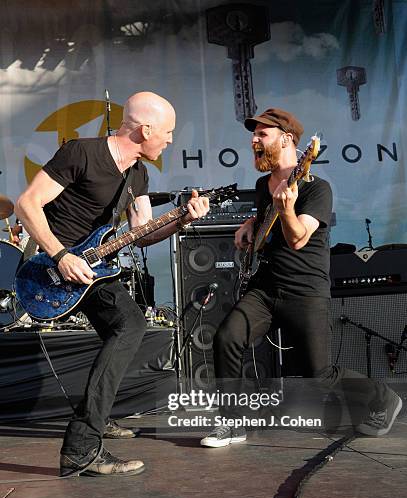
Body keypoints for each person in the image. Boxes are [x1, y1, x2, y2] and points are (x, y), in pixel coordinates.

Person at [15, 91, 209, 475]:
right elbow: (27, 204)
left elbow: (142, 234)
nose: (170, 140)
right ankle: (82, 446)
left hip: (94, 268)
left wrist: (183, 220)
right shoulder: (81, 153)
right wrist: (61, 255)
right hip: (54, 269)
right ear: (145, 129)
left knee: (127, 329)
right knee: (130, 324)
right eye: (167, 132)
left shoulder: (139, 174)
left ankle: (95, 419)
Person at [200, 107, 402, 447]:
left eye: (262, 134)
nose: (254, 140)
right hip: (265, 290)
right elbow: (268, 221)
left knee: (318, 377)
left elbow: (297, 238)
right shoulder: (264, 185)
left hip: (305, 291)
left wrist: (287, 209)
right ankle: (231, 423)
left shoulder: (316, 188)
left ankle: (383, 397)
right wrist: (251, 223)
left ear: (287, 140)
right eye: (253, 134)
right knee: (226, 338)